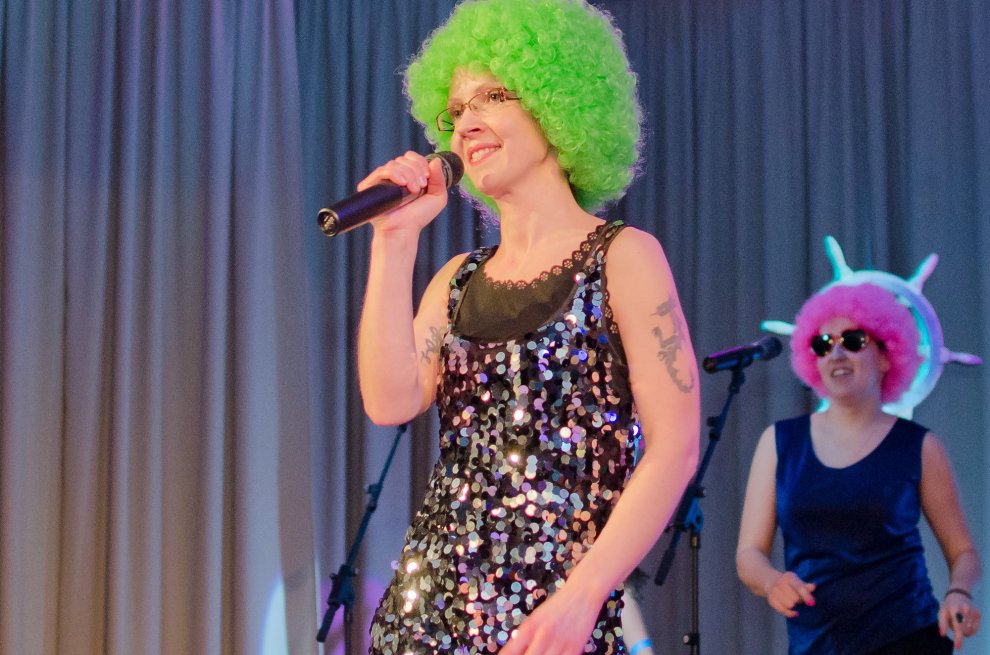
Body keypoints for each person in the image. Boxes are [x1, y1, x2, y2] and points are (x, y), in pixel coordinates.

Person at [353, 0, 701, 653]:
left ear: (557, 103)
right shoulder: (456, 280)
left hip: (553, 620)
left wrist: (584, 595)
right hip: (427, 617)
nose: (467, 123)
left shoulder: (623, 258)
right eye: (455, 110)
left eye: (492, 96)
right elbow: (389, 400)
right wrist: (393, 241)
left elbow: (675, 447)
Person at [736, 282, 982, 654]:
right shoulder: (779, 442)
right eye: (823, 344)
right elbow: (749, 553)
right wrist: (772, 582)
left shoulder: (918, 445)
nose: (836, 353)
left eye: (853, 341)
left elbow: (962, 550)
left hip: (907, 640)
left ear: (886, 356)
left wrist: (958, 592)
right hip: (815, 645)